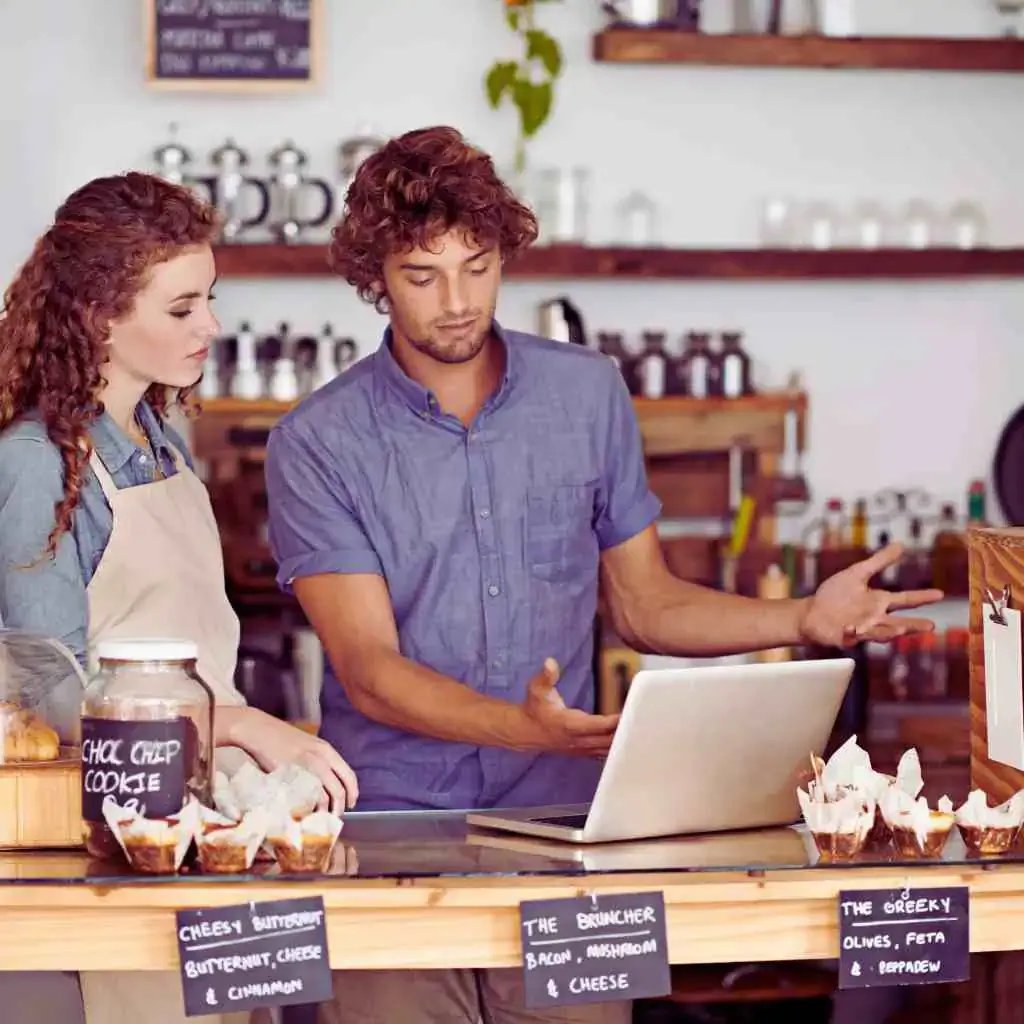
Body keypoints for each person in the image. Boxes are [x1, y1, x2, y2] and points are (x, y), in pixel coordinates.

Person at [264, 126, 943, 1024]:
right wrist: (522, 727)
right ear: (375, 279)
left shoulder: (586, 393)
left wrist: (803, 618)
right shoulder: (317, 441)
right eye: (421, 277)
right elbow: (370, 673)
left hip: (574, 830)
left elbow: (646, 604)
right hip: (391, 833)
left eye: (477, 266)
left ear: (504, 254)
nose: (457, 302)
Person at [0, 171, 358, 1024]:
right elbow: (51, 692)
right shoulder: (35, 464)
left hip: (205, 824)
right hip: (113, 838)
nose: (212, 326)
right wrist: (239, 723)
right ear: (100, 315)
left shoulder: (160, 442)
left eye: (210, 299)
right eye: (182, 307)